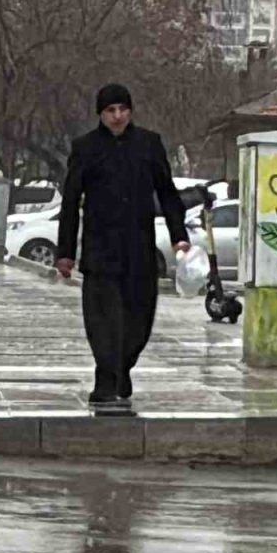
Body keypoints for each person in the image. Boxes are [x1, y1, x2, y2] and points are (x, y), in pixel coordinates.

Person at [56, 84, 191, 410]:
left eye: (122, 110)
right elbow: (71, 201)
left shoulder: (149, 144)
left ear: (130, 111)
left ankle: (122, 367)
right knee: (103, 320)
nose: (117, 117)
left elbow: (168, 193)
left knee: (138, 320)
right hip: (100, 250)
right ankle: (106, 379)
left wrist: (179, 235)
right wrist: (65, 253)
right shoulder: (86, 148)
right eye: (110, 111)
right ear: (100, 114)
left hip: (139, 250)